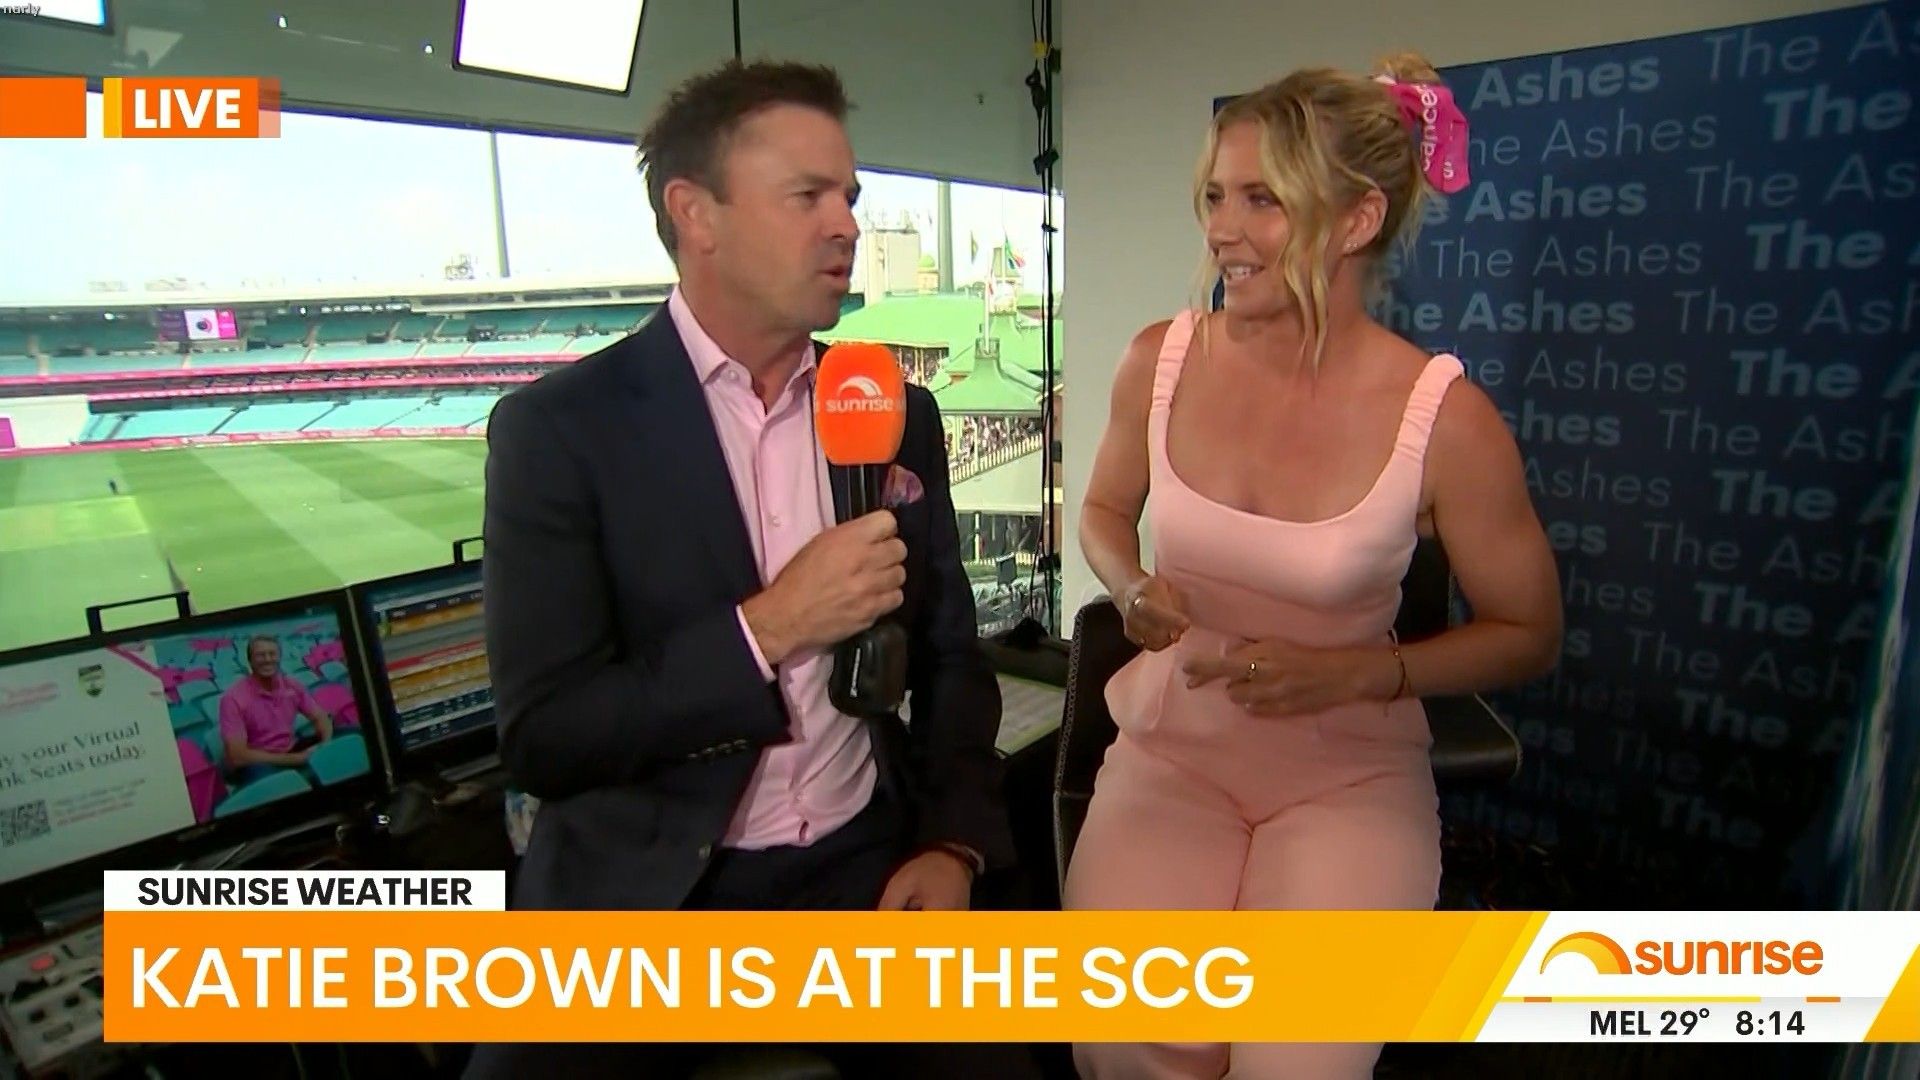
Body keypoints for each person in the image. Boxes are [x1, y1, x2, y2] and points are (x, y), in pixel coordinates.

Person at [468, 60, 1036, 1080]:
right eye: (806, 196)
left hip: (863, 871)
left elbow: (951, 655)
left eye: (849, 196)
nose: (846, 224)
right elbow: (546, 738)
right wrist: (769, 627)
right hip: (651, 901)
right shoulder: (558, 433)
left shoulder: (897, 413)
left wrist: (950, 844)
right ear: (697, 215)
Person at [1066, 53, 1563, 1079]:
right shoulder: (1157, 360)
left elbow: (1529, 634)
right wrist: (1129, 584)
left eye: (1261, 200)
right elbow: (1106, 512)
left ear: (1356, 220)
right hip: (1173, 757)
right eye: (1215, 196)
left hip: (1346, 781)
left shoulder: (1447, 421)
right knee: (1130, 1041)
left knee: (1297, 1062)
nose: (1221, 229)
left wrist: (1362, 672)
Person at [218, 635, 333, 784]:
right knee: (277, 783)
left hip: (290, 748)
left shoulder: (292, 685)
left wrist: (326, 745)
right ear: (250, 661)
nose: (267, 659)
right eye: (260, 655)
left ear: (279, 657)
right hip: (257, 760)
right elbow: (238, 756)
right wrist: (295, 759)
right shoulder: (233, 698)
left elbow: (320, 717)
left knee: (346, 737)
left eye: (272, 654)